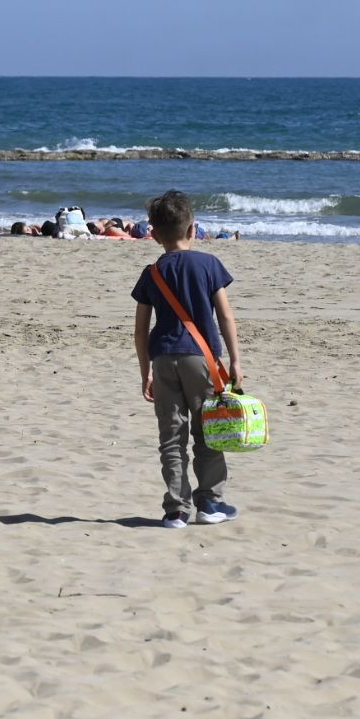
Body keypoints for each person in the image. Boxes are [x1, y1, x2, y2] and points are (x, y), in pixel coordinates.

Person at [130, 190, 244, 529]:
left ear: (152, 234)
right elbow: (225, 317)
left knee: (171, 436)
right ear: (192, 229)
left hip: (164, 357)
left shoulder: (151, 273)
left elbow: (140, 330)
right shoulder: (208, 264)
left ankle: (176, 510)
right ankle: (209, 502)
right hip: (202, 360)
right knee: (209, 430)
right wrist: (235, 361)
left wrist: (144, 370)